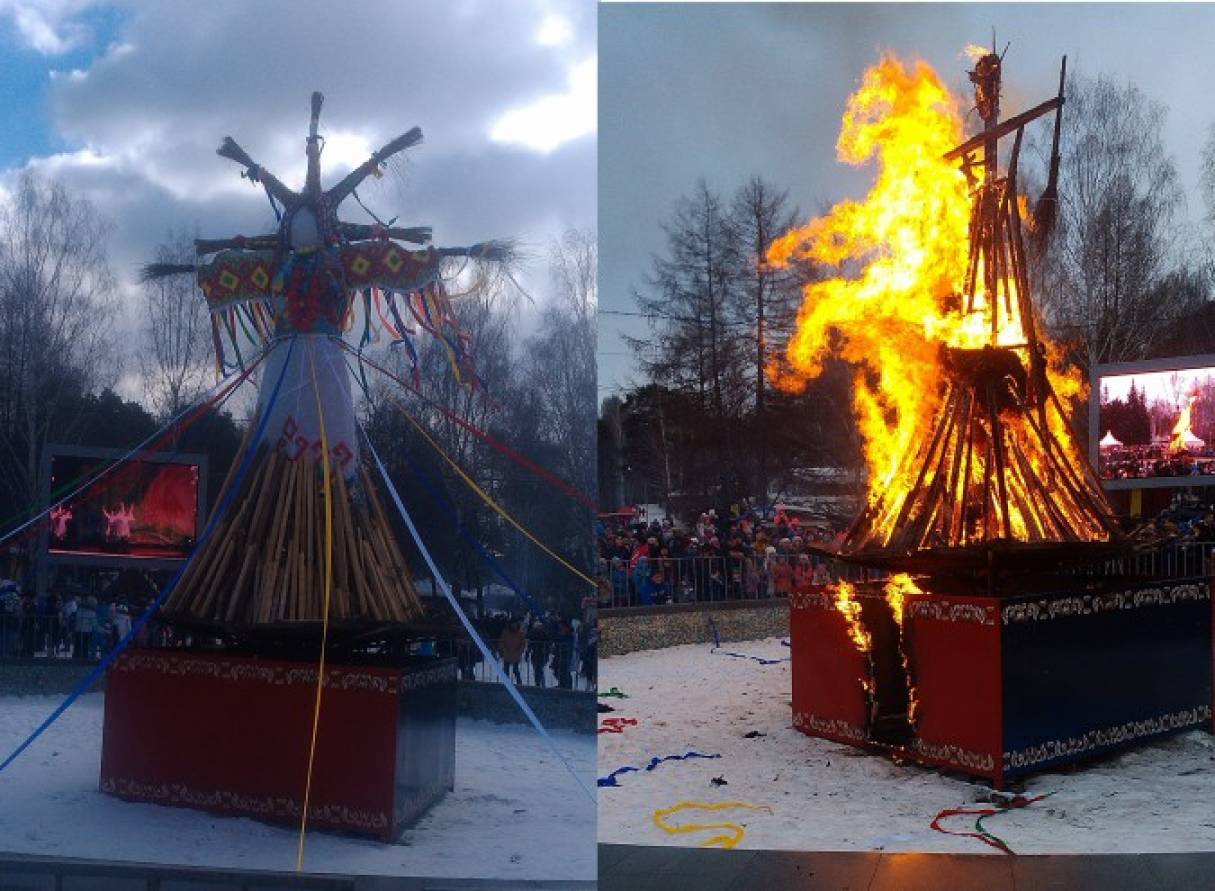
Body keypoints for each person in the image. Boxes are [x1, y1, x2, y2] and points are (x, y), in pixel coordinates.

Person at [498, 619, 527, 685]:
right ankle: (506, 683)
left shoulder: (520, 633)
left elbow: (523, 644)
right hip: (507, 654)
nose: (514, 625)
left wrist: (519, 652)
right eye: (513, 624)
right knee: (506, 670)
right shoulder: (505, 632)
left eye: (515, 624)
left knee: (516, 670)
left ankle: (519, 683)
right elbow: (502, 642)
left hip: (516, 655)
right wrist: (504, 650)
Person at [528, 620, 549, 687]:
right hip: (536, 654)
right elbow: (531, 644)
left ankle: (540, 683)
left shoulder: (544, 634)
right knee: (537, 670)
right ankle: (539, 683)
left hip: (541, 654)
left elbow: (547, 645)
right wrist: (528, 651)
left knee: (539, 669)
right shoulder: (534, 634)